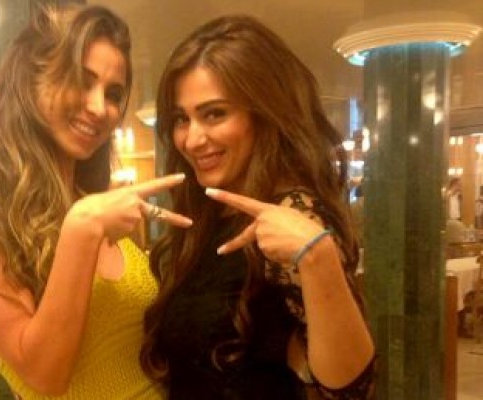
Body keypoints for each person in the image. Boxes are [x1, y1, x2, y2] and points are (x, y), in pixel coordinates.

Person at [0, 4, 192, 399]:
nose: (100, 108)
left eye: (113, 94)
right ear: (30, 81)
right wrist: (82, 227)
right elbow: (44, 374)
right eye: (81, 81)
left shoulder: (92, 202)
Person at [140, 15, 375, 399]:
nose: (192, 139)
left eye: (214, 113)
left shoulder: (295, 212)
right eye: (181, 119)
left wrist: (318, 257)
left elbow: (351, 388)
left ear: (264, 114)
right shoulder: (211, 212)